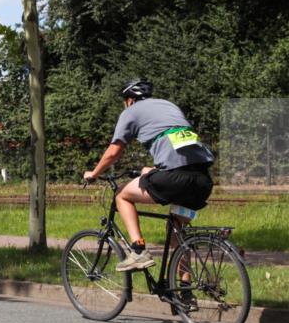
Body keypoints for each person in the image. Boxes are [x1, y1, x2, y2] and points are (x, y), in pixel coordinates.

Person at [84, 79, 214, 272]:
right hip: (203, 181)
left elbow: (113, 151)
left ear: (129, 100)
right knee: (177, 234)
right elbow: (177, 146)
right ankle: (185, 293)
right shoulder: (168, 106)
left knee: (121, 195)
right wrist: (155, 169)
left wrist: (94, 174)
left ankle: (138, 251)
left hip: (175, 178)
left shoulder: (130, 112)